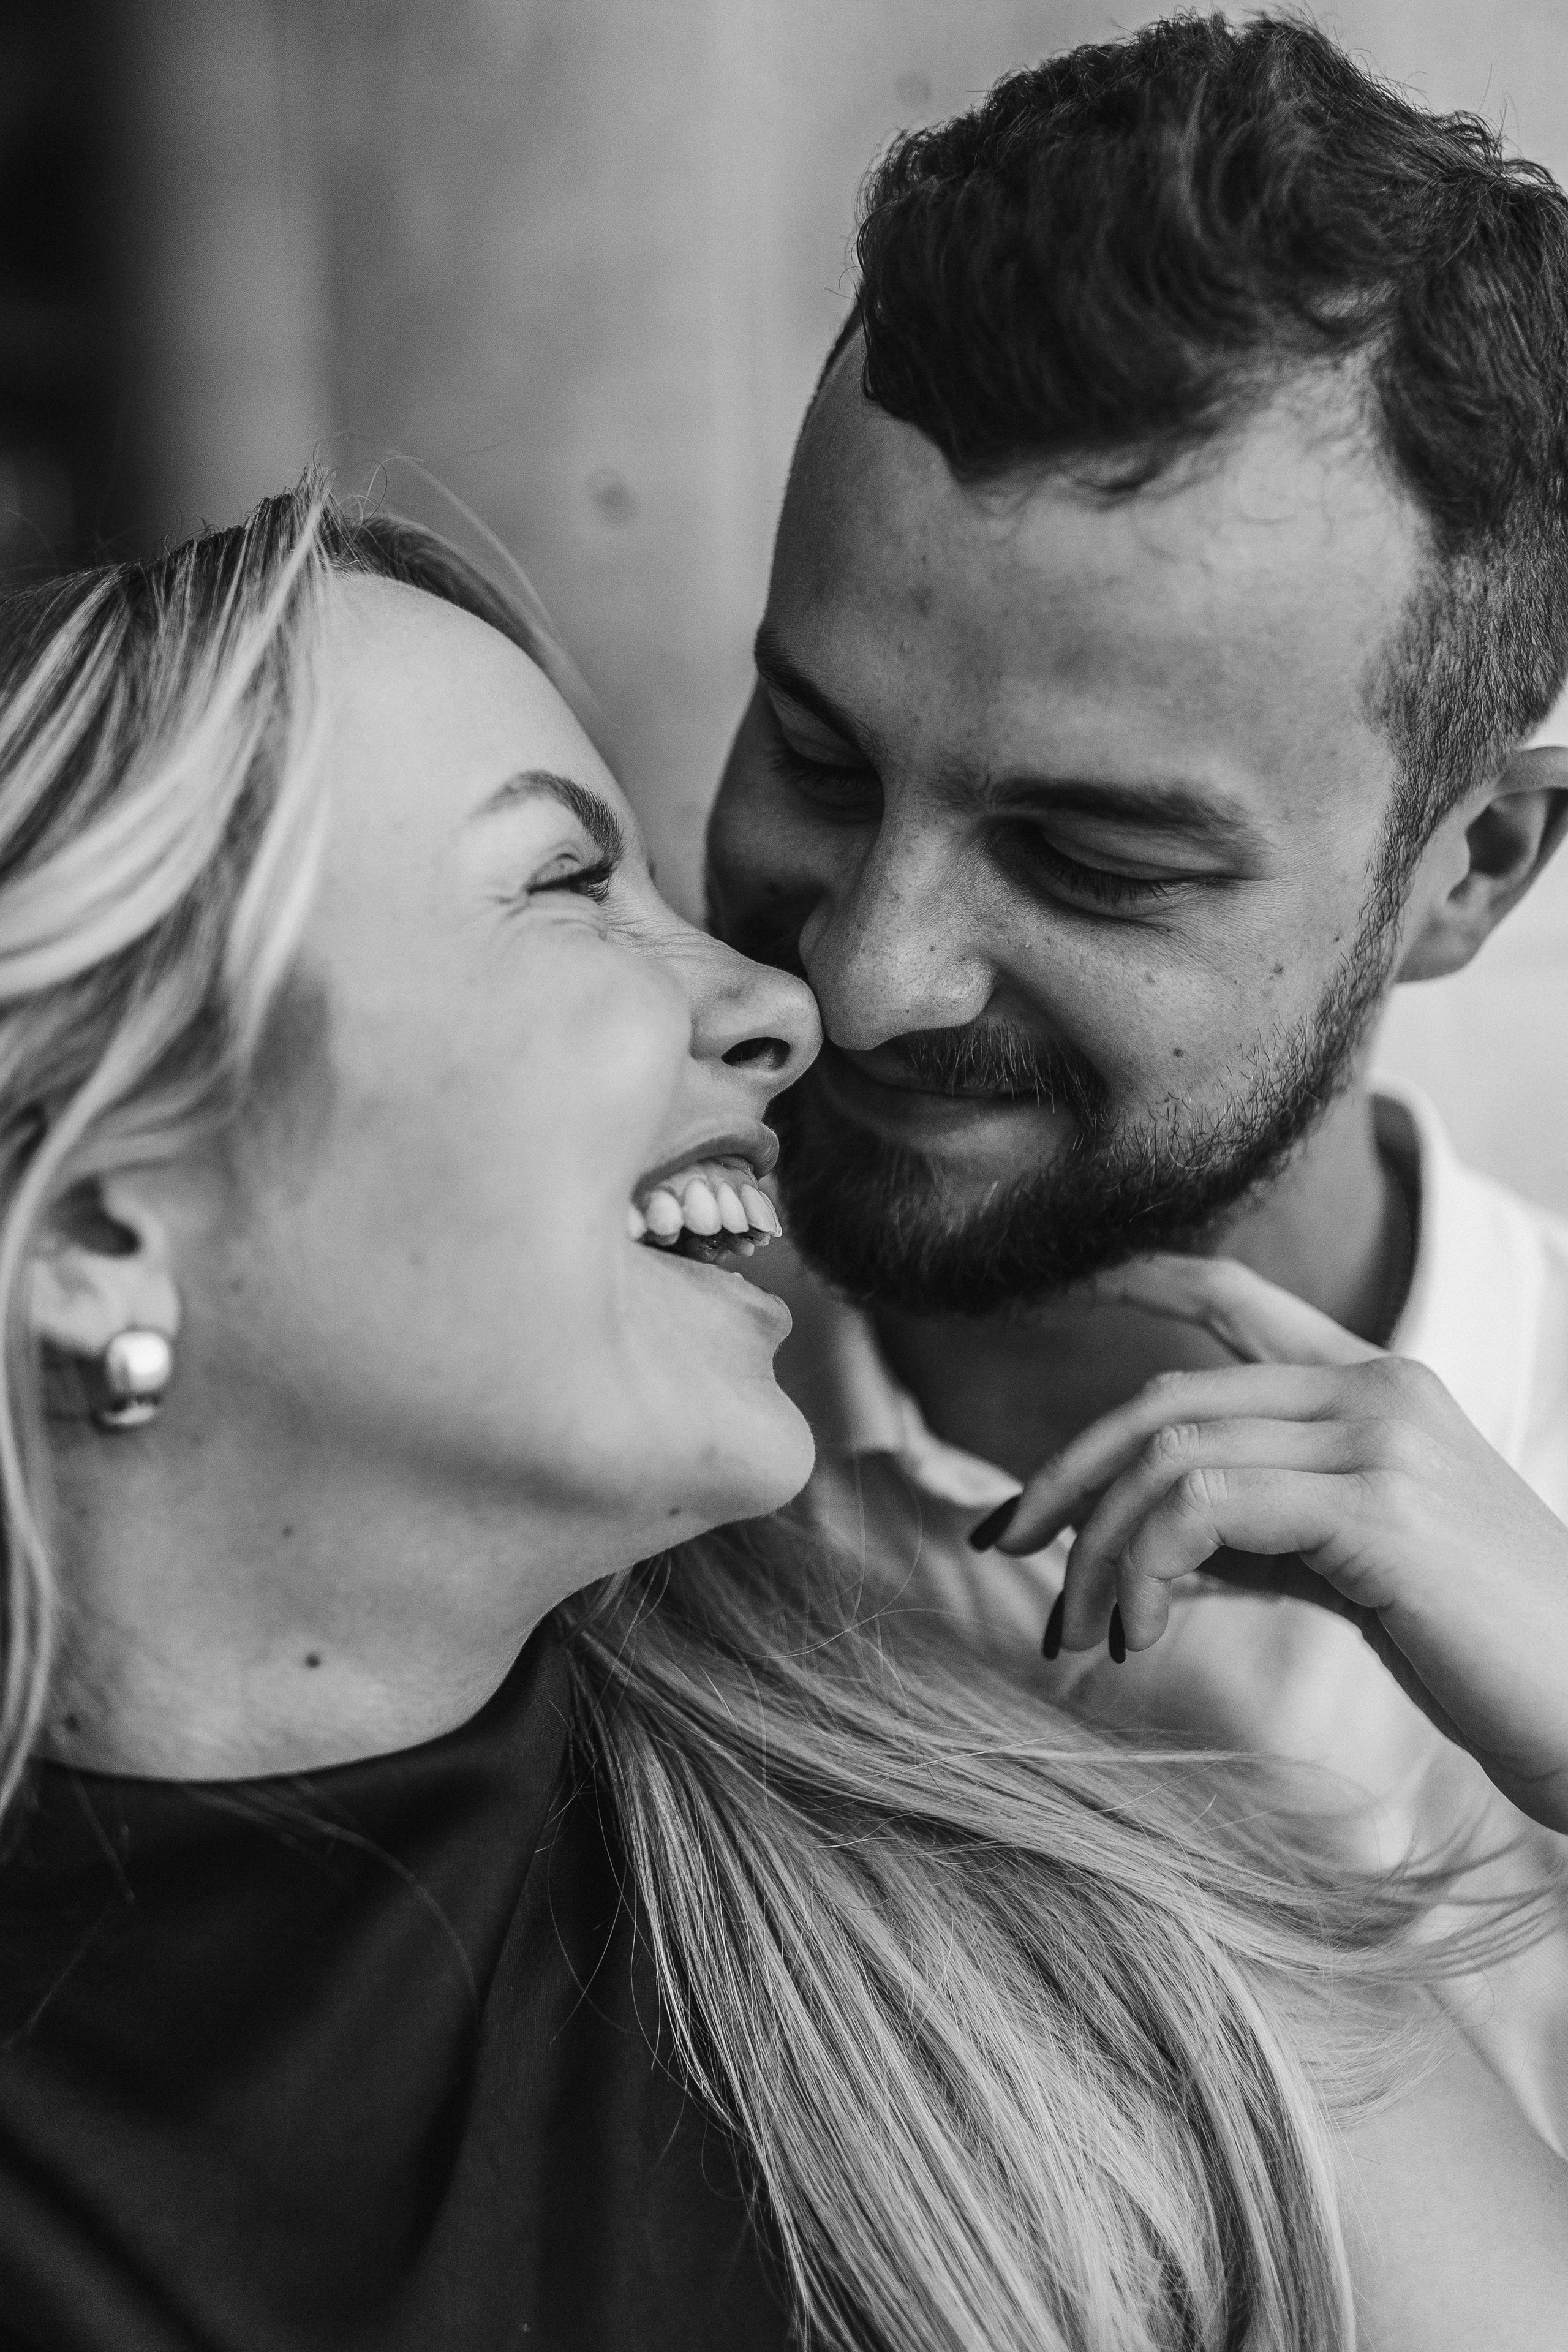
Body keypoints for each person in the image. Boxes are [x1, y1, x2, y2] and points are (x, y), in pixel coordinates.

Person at [1, 487, 1564, 2351]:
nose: (804, 1001)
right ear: (101, 1224)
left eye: (1101, 850)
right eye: (569, 887)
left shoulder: (1125, 1967)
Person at [706, 11, 1568, 2150]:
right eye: (815, 758)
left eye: (1093, 859)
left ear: (1467, 872)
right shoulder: (573, 1390)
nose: (870, 969)